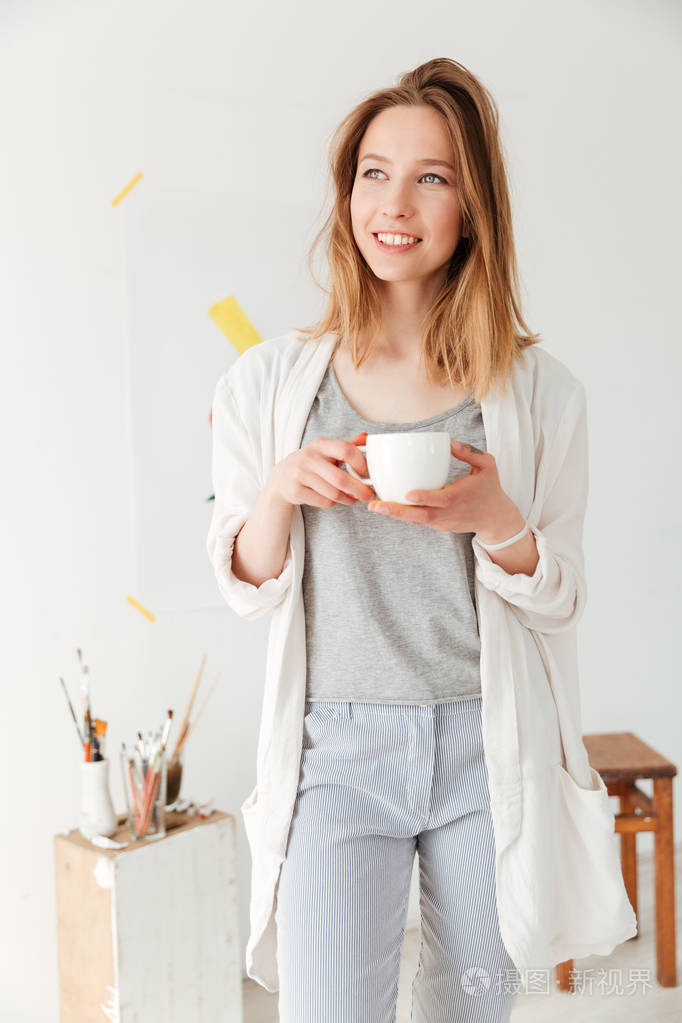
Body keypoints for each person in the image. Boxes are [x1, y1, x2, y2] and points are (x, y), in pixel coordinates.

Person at [208, 57, 636, 1023]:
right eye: (374, 172)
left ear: (472, 208)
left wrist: (498, 520)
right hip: (335, 749)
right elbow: (246, 579)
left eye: (431, 177)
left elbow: (563, 592)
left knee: (471, 1011)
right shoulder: (269, 385)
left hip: (486, 748)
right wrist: (280, 490)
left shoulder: (541, 394)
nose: (394, 204)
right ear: (347, 193)